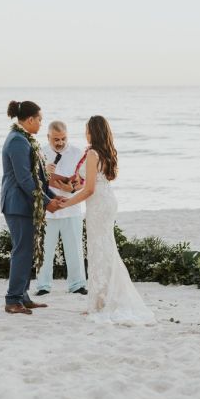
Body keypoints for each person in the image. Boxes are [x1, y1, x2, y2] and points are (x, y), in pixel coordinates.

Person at [60, 116, 156, 324]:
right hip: (105, 200)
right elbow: (88, 183)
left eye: (86, 129)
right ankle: (101, 300)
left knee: (99, 249)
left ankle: (99, 303)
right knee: (104, 248)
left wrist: (67, 203)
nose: (85, 133)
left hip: (99, 203)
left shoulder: (93, 154)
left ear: (93, 132)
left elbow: (90, 189)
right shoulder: (100, 152)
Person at [0, 100, 64, 315]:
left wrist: (53, 197)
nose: (40, 124)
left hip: (26, 204)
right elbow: (24, 179)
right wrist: (47, 202)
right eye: (39, 120)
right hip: (17, 204)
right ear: (29, 120)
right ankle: (12, 299)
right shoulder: (18, 141)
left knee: (27, 251)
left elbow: (38, 178)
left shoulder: (25, 138)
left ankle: (22, 296)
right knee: (22, 251)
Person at [35, 121, 87, 296]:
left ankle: (78, 284)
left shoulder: (78, 153)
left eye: (63, 138)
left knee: (75, 249)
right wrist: (43, 171)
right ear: (48, 137)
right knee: (44, 250)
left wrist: (72, 188)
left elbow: (85, 181)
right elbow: (31, 181)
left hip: (71, 207)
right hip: (48, 209)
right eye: (56, 139)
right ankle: (43, 285)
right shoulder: (39, 152)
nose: (60, 142)